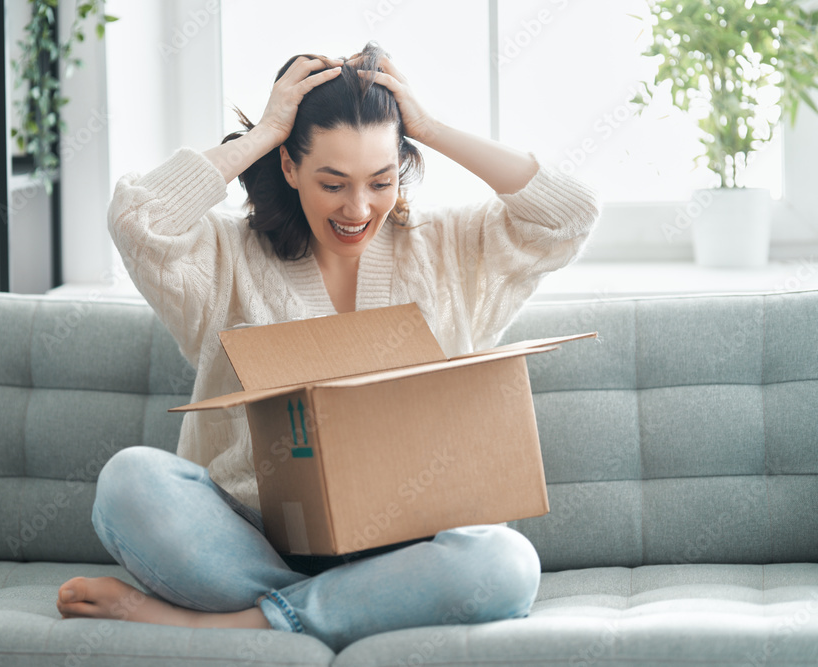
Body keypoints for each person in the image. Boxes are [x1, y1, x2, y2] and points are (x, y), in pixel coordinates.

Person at [56, 42, 601, 652]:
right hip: (252, 541)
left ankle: (233, 626)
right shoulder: (225, 259)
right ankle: (345, 606)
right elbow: (138, 219)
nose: (358, 207)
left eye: (382, 179)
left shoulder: (451, 250)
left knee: (505, 563)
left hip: (411, 545)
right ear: (289, 167)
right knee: (130, 479)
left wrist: (430, 127)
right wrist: (264, 131)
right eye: (333, 183)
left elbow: (569, 216)